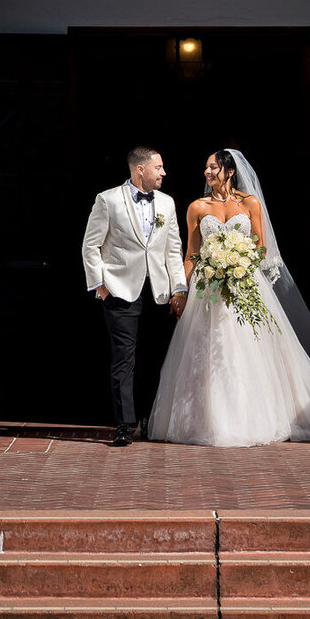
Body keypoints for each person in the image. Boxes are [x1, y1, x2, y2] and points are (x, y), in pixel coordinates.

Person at [147, 147, 310, 447]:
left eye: (213, 167)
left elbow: (261, 247)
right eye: (206, 167)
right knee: (209, 351)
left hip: (244, 282)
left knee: (248, 351)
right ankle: (209, 421)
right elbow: (191, 253)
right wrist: (182, 291)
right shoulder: (197, 207)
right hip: (209, 289)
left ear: (229, 171)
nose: (207, 172)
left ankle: (253, 418)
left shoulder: (250, 203)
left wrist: (238, 259)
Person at [81, 145, 187, 447]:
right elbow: (91, 245)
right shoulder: (108, 200)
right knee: (123, 359)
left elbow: (173, 249)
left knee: (155, 358)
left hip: (159, 292)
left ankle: (149, 419)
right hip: (120, 290)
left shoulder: (167, 202)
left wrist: (179, 289)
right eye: (158, 167)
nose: (163, 173)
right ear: (141, 170)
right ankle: (124, 425)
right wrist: (100, 284)